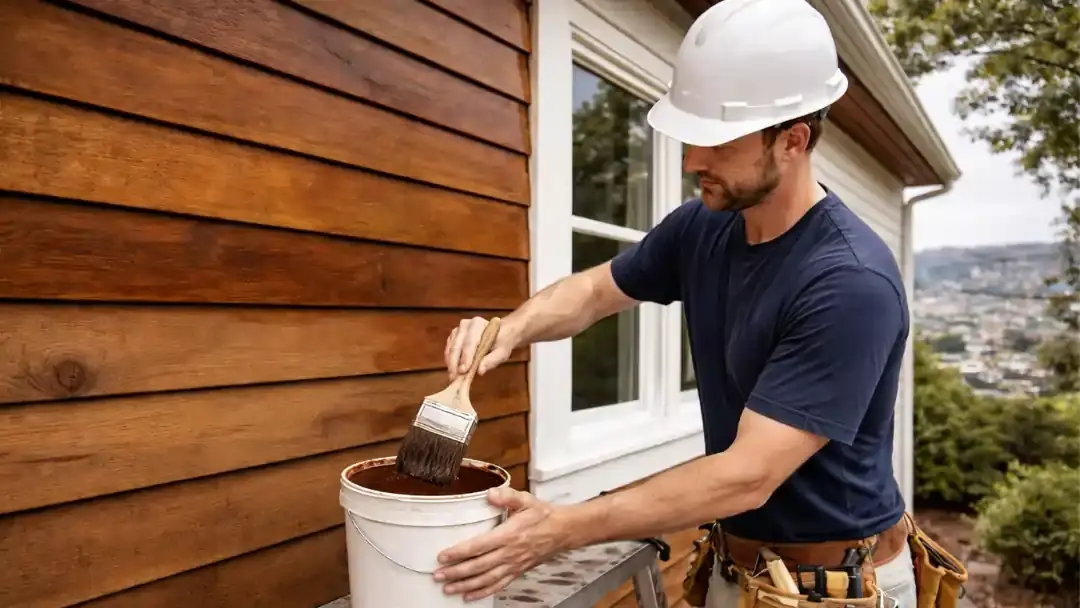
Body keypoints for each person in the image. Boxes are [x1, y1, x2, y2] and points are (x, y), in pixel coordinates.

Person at [431, 0, 917, 605]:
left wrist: (560, 528)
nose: (692, 162)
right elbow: (590, 292)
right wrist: (511, 329)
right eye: (692, 140)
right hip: (736, 568)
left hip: (838, 589)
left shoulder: (848, 281)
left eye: (717, 144)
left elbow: (748, 475)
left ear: (793, 141)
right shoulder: (704, 226)